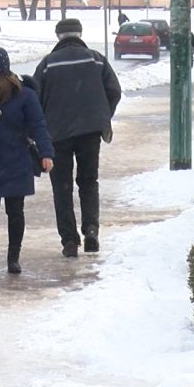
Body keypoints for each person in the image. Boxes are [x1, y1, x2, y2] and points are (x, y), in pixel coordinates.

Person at [32, 19, 121, 258]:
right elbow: (114, 91)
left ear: (58, 36)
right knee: (89, 182)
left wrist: (42, 127)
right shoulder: (97, 60)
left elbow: (33, 98)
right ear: (80, 34)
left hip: (56, 135)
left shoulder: (48, 64)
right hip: (89, 133)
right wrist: (102, 116)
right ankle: (91, 230)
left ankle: (69, 240)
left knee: (62, 188)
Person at [0, 47, 54, 274]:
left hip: (16, 160)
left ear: (2, 72)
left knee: (15, 211)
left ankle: (13, 256)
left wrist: (46, 153)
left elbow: (38, 125)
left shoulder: (25, 96)